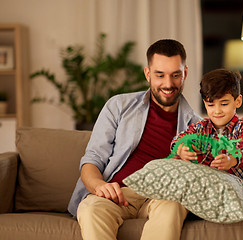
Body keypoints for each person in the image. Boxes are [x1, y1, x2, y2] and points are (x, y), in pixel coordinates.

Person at [68, 39, 201, 240]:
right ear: (147, 73)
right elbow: (92, 159)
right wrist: (99, 185)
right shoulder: (119, 106)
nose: (168, 84)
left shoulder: (197, 126)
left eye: (176, 75)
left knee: (174, 205)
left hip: (162, 197)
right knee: (91, 209)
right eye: (160, 75)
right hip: (116, 194)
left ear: (185, 73)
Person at [171, 68, 243, 217]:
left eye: (224, 104)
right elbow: (179, 139)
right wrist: (181, 149)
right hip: (215, 190)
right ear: (205, 104)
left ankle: (213, 213)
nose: (217, 111)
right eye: (211, 105)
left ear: (237, 101)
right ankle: (223, 211)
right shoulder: (201, 128)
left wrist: (232, 159)